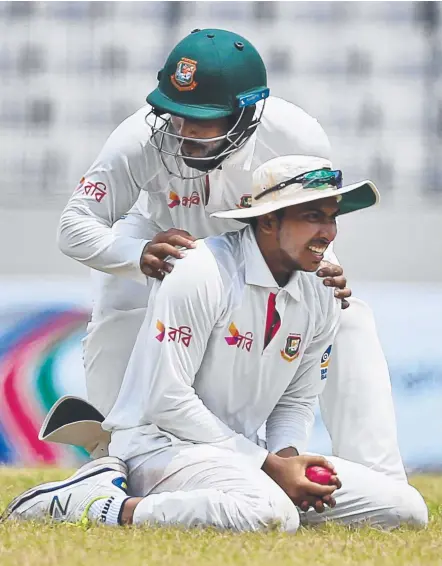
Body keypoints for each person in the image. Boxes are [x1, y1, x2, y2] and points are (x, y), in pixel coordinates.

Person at [3, 156, 427, 532]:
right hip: (160, 447)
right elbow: (166, 401)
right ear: (267, 220)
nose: (327, 233)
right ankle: (100, 505)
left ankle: (255, 491)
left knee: (405, 509)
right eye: (312, 216)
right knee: (272, 514)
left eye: (332, 217)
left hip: (244, 457)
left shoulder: (321, 287)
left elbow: (295, 401)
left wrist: (289, 460)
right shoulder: (201, 271)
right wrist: (272, 468)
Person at [52, 28, 404, 479]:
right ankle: (111, 460)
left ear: (246, 113)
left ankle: (378, 476)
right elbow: (74, 226)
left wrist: (327, 265)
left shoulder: (296, 135)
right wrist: (137, 253)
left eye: (202, 117)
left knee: (349, 316)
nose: (183, 131)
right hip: (166, 243)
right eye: (175, 114)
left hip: (256, 252)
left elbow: (313, 217)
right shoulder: (139, 135)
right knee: (118, 305)